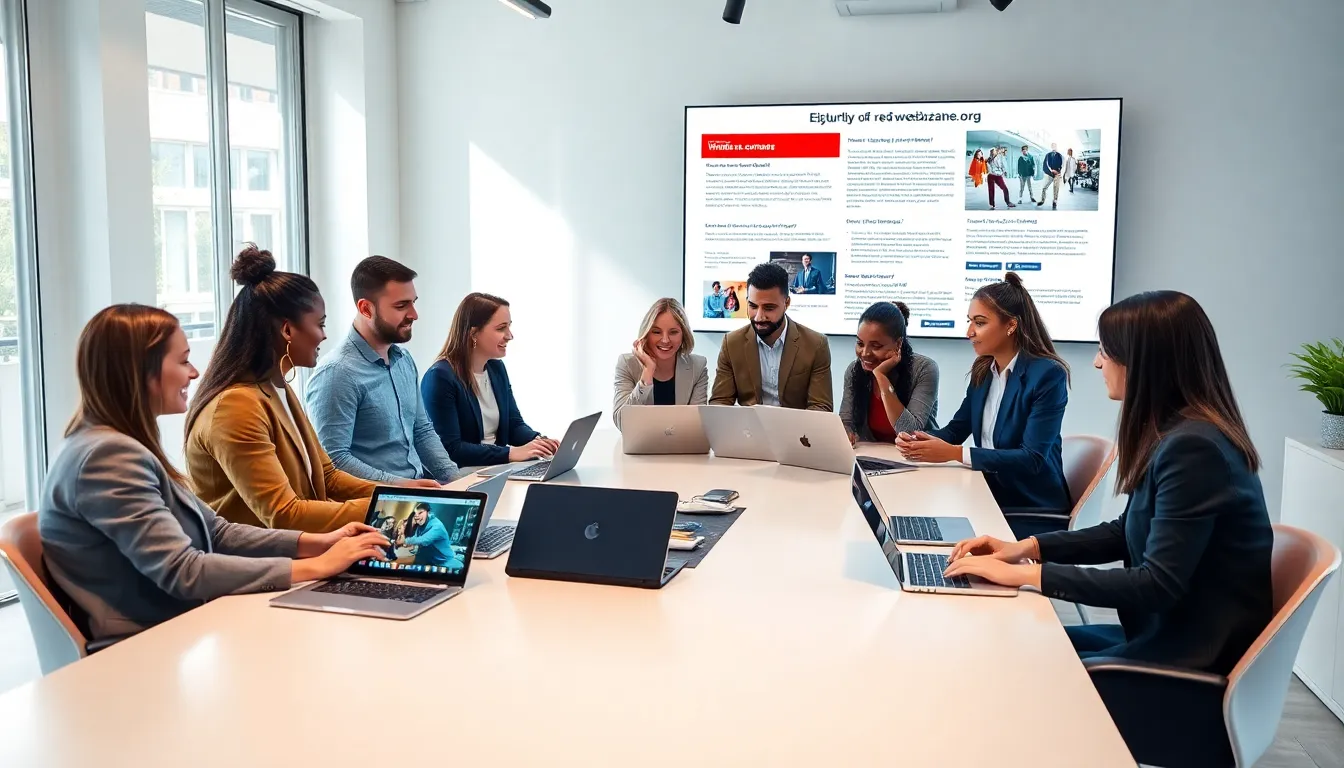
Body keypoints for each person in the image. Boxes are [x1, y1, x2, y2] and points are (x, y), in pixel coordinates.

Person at [944, 291, 1274, 674]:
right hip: (1160, 637)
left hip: (1183, 661)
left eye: (1105, 350)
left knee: (1014, 667)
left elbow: (1155, 584)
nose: (1098, 362)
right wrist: (1023, 548)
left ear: (1144, 361)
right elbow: (1124, 532)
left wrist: (1027, 574)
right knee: (1010, 646)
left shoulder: (1195, 450)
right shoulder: (1178, 434)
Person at [40, 304, 389, 641]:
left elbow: (217, 531)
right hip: (147, 644)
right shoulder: (108, 456)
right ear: (141, 371)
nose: (193, 373)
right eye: (183, 361)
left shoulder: (116, 444)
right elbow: (183, 570)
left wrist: (321, 543)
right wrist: (316, 567)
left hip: (183, 626)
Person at [185, 246, 392, 535]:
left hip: (304, 553)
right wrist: (394, 507)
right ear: (287, 331)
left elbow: (327, 477)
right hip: (261, 569)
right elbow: (284, 514)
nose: (324, 335)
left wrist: (401, 491)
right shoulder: (235, 407)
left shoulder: (274, 388)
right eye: (320, 324)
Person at [896, 273, 1071, 516]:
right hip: (987, 495)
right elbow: (955, 431)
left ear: (1011, 325)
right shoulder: (984, 372)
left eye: (979, 322)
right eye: (970, 321)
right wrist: (916, 439)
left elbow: (1032, 459)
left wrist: (955, 453)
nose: (969, 332)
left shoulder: (1048, 375)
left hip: (1029, 508)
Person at [305, 256, 462, 485]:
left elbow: (422, 431)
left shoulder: (403, 360)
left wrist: (457, 483)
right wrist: (403, 486)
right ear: (366, 308)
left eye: (413, 302)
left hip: (416, 495)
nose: (414, 314)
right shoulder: (336, 374)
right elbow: (334, 461)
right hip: (373, 506)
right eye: (401, 306)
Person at [421, 292, 559, 467]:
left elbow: (513, 425)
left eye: (509, 327)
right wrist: (510, 453)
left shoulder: (496, 369)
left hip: (496, 467)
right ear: (473, 334)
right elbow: (451, 449)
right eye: (501, 328)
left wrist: (539, 442)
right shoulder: (440, 377)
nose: (510, 335)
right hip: (462, 473)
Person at [710, 262, 832, 411]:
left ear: (786, 303)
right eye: (753, 306)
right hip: (749, 431)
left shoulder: (816, 345)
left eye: (769, 308)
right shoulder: (732, 343)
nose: (759, 317)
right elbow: (719, 403)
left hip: (795, 431)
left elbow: (821, 408)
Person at [839, 302, 939, 445]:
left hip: (915, 457)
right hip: (872, 456)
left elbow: (910, 432)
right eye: (860, 344)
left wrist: (880, 376)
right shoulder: (854, 370)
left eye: (876, 346)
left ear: (898, 344)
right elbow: (846, 421)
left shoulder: (924, 369)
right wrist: (847, 433)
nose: (865, 353)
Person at [612, 298, 709, 429]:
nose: (665, 340)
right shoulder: (627, 364)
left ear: (683, 334)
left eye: (673, 332)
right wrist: (647, 373)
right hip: (641, 447)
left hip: (682, 447)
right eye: (656, 332)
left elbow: (697, 424)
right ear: (646, 334)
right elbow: (622, 423)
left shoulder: (698, 367)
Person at [397, 502, 465, 570]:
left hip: (444, 562)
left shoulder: (437, 526)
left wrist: (405, 541)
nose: (417, 516)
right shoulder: (421, 524)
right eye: (416, 513)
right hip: (428, 561)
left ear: (428, 512)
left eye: (420, 513)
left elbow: (424, 539)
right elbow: (417, 539)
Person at [1039, 142, 1064, 209]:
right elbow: (1045, 165)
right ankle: (1042, 200)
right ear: (1051, 147)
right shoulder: (1048, 155)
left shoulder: (1059, 155)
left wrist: (1058, 172)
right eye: (1053, 146)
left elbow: (1061, 165)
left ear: (1056, 147)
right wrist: (1051, 171)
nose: (1054, 147)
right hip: (1049, 174)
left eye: (1055, 146)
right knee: (1044, 187)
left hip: (1057, 174)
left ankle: (1055, 201)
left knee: (1056, 188)